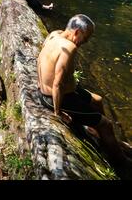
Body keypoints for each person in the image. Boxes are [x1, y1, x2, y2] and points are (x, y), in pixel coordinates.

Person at [37, 14, 132, 170]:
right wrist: (58, 112)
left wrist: (39, 83)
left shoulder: (54, 34)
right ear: (76, 32)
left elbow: (41, 59)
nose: (85, 42)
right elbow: (58, 84)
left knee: (97, 100)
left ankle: (103, 137)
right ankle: (122, 163)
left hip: (59, 91)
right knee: (106, 124)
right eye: (85, 38)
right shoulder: (70, 48)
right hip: (55, 97)